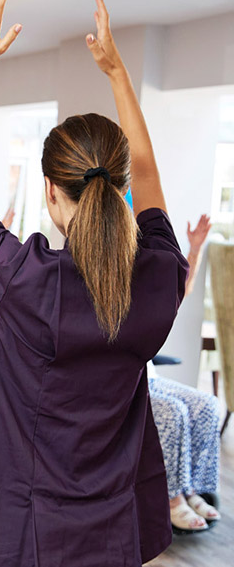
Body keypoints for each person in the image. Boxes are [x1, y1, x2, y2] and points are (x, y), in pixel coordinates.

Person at [0, 0, 188, 566]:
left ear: (50, 192)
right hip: (116, 521)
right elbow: (148, 171)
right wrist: (118, 73)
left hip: (32, 525)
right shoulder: (157, 275)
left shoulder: (26, 277)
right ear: (120, 191)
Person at [150, 214, 221, 532]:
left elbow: (181, 288)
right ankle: (171, 500)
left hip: (147, 375)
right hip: (116, 382)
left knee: (206, 404)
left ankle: (192, 490)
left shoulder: (144, 278)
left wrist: (195, 249)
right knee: (173, 412)